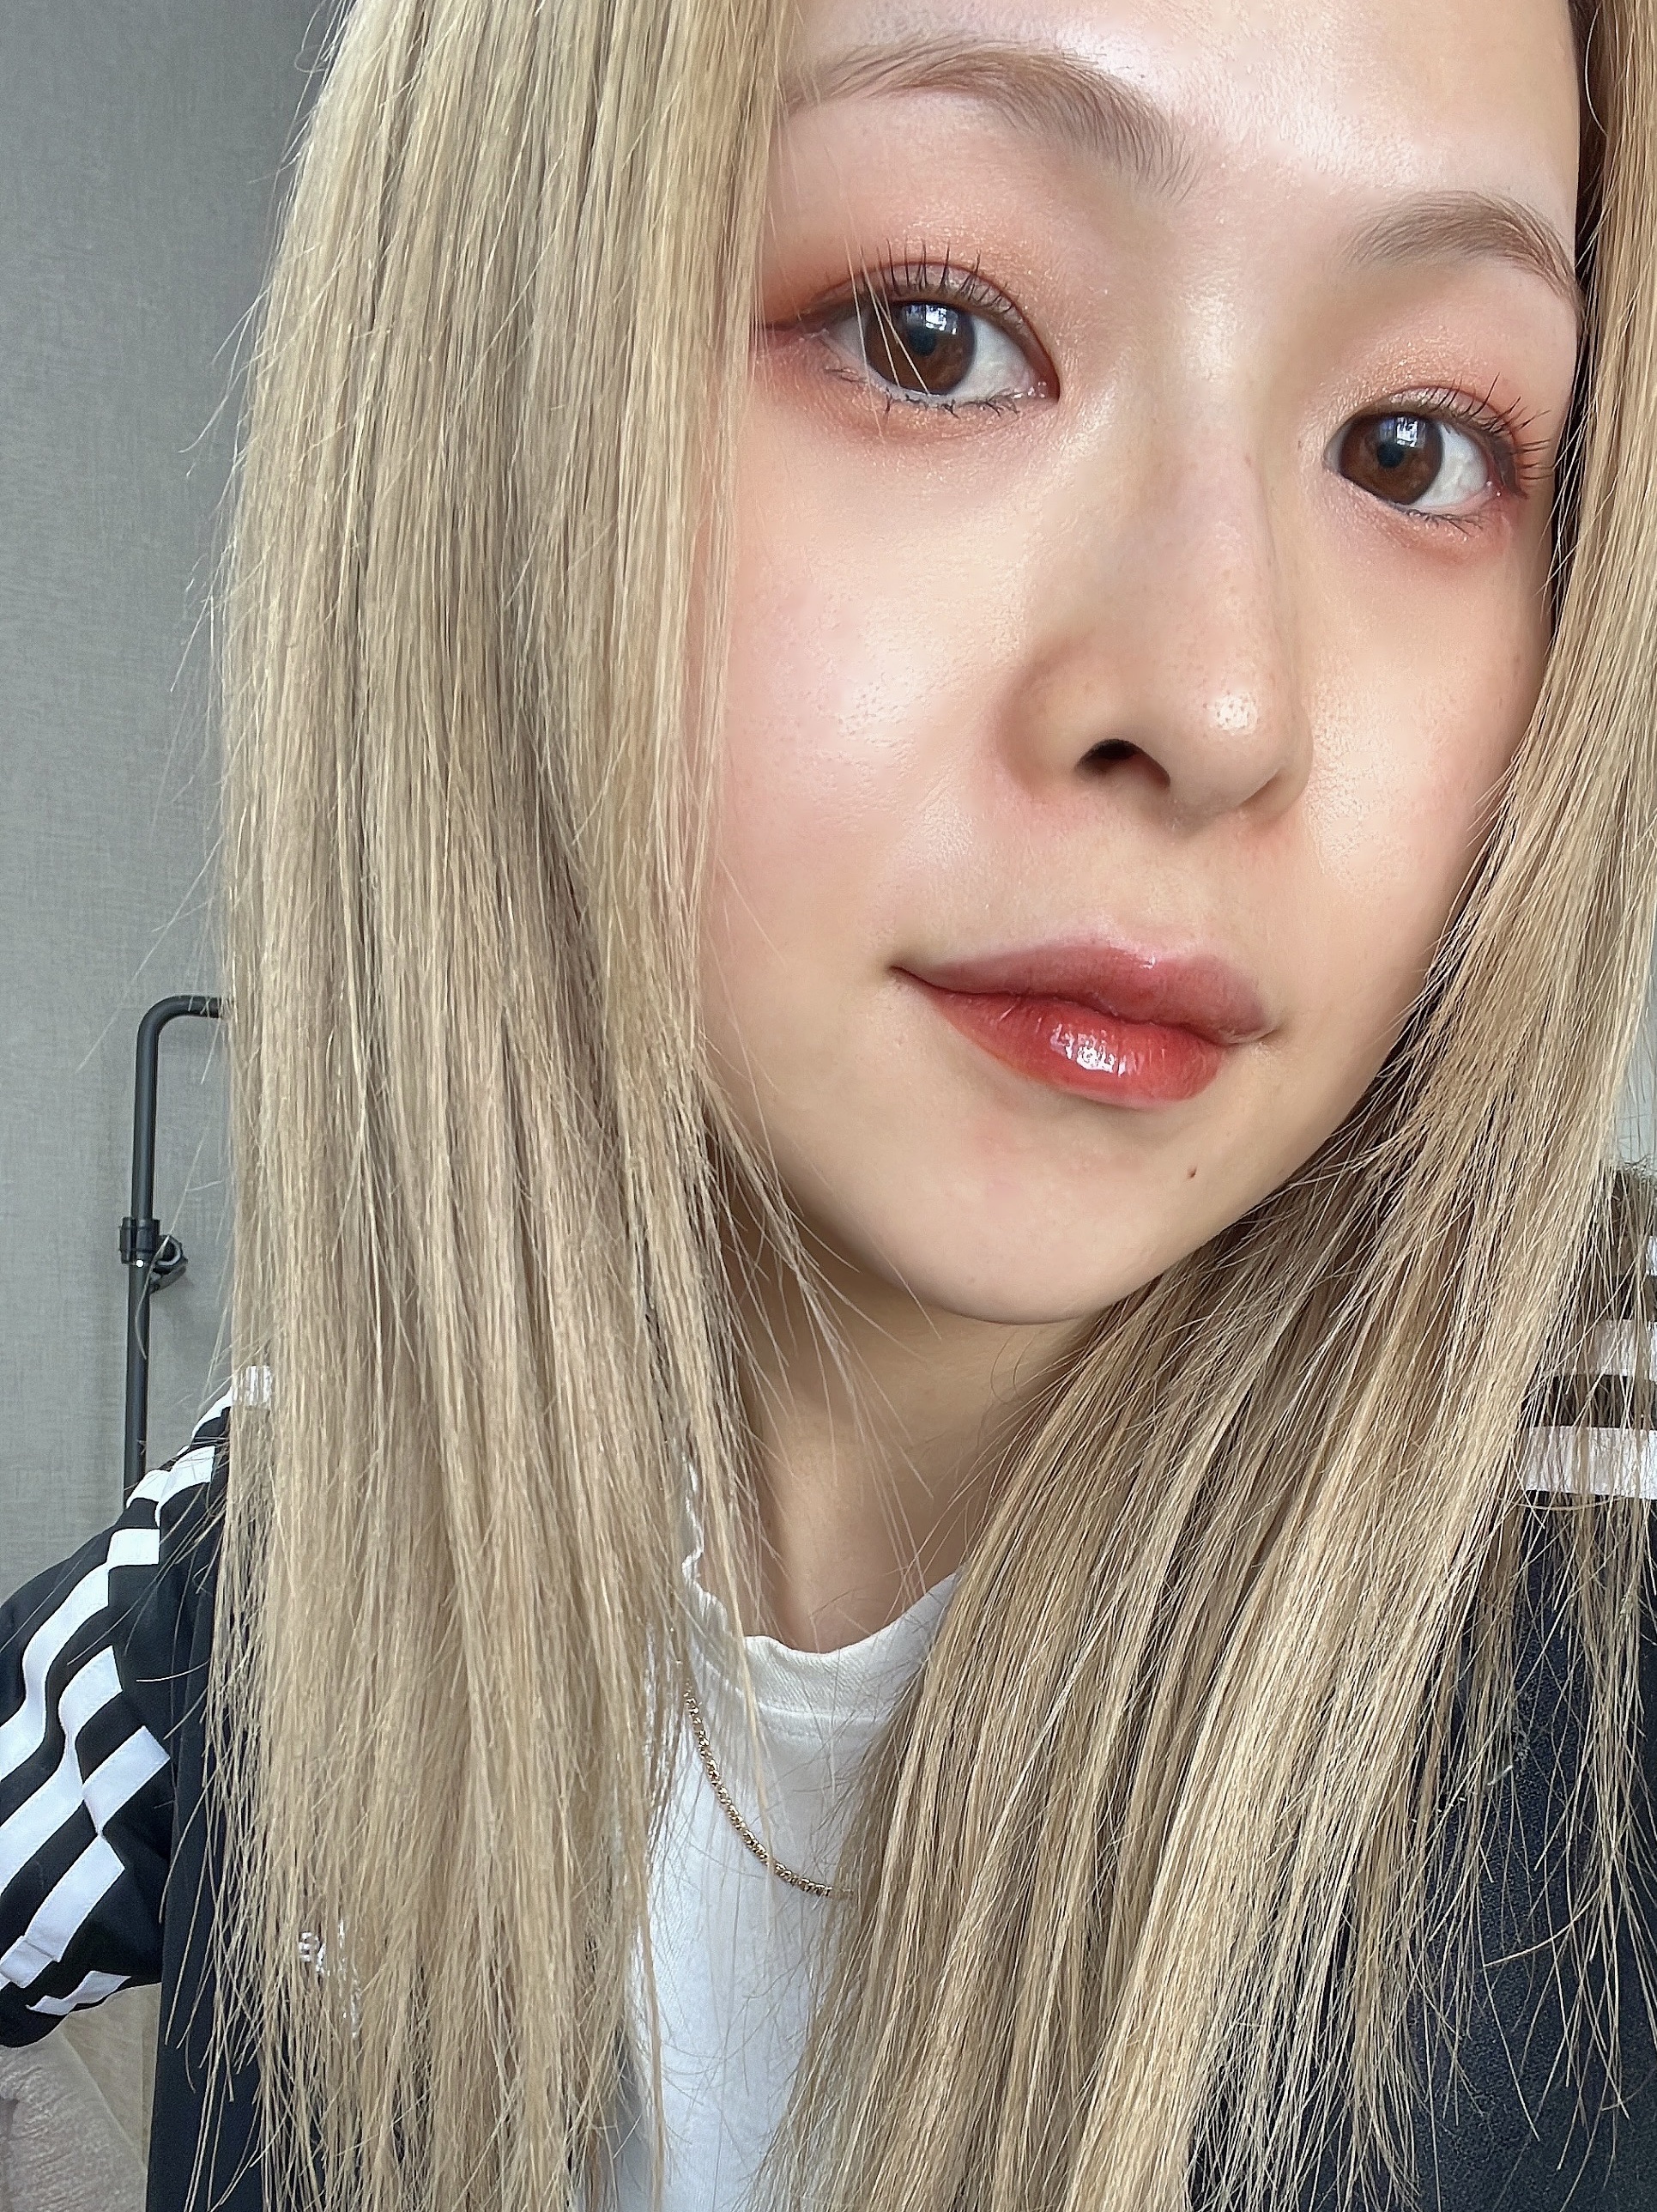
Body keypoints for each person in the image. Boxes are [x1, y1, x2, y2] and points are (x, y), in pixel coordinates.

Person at [5, 0, 1657, 2204]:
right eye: (932, 335)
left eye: (1412, 448)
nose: (1222, 699)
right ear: (491, 399)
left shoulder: (1597, 1618)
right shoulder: (275, 1552)